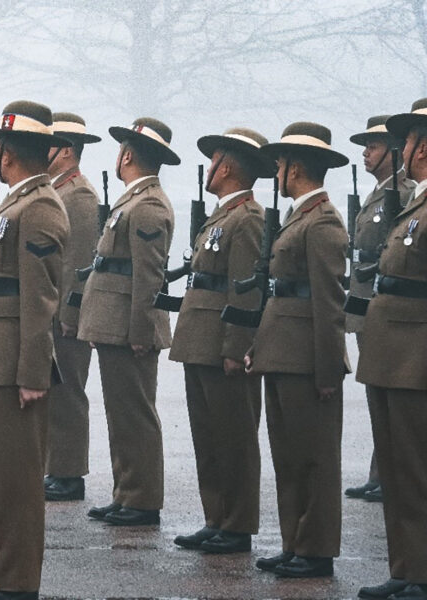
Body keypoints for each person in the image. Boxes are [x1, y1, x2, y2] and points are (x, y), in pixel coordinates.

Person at [0, 100, 70, 600]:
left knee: (18, 484)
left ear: (7, 153)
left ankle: (19, 584)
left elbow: (39, 297)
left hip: (10, 365)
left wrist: (32, 373)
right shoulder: (18, 202)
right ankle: (5, 577)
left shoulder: (40, 206)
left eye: (0, 147)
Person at [245, 121, 350, 578]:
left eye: (281, 163)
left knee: (314, 459)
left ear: (297, 167)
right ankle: (295, 544)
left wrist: (329, 371)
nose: (276, 172)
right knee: (288, 458)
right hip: (282, 352)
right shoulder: (298, 218)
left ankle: (316, 549)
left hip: (308, 359)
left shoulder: (323, 223)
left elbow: (329, 306)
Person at [168, 128, 273, 554]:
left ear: (226, 166)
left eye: (213, 161)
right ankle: (217, 518)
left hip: (222, 343)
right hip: (200, 340)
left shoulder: (247, 219)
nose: (209, 169)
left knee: (234, 439)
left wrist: (237, 347)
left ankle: (238, 523)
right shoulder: (222, 216)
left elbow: (245, 289)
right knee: (208, 437)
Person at [77, 117, 179, 527]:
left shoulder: (149, 204)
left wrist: (141, 330)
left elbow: (148, 274)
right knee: (122, 414)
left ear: (129, 155)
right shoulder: (133, 199)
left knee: (134, 413)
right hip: (114, 323)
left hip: (129, 327)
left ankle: (142, 499)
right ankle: (126, 493)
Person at [355, 98, 427, 600]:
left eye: (409, 139)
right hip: (392, 353)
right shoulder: (415, 203)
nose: (404, 149)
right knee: (400, 476)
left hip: (416, 356)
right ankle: (408, 569)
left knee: (416, 473)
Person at [343, 115, 415, 504]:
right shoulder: (377, 193)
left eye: (372, 147)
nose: (366, 154)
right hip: (364, 302)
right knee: (376, 390)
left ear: (394, 151)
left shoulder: (403, 192)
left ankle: (390, 472)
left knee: (388, 391)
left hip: (383, 302)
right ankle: (380, 471)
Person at [43, 112, 102, 502]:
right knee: (53, 390)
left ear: (66, 150)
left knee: (67, 392)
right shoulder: (57, 191)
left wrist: (68, 315)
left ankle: (68, 473)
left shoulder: (77, 196)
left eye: (48, 144)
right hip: (51, 312)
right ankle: (56, 467)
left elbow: (78, 264)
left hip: (66, 316)